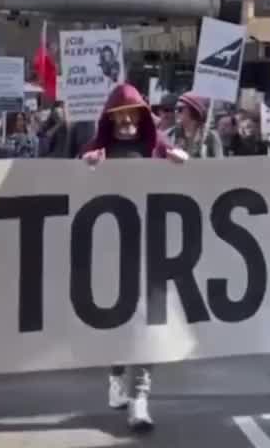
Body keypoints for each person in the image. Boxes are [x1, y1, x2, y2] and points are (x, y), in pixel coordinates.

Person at [80, 84, 186, 432]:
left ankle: (139, 398)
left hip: (151, 247)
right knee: (118, 320)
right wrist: (88, 167)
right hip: (111, 250)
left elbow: (187, 180)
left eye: (131, 113)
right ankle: (115, 374)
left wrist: (178, 162)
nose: (126, 120)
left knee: (148, 324)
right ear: (110, 120)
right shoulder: (99, 149)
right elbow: (73, 189)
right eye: (119, 115)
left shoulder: (156, 146)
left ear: (142, 115)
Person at [164, 92, 223, 159]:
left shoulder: (211, 138)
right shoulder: (169, 135)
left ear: (193, 111)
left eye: (180, 109)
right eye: (175, 109)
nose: (176, 112)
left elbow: (219, 164)